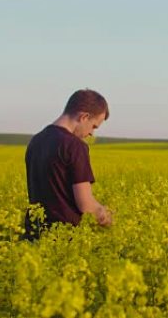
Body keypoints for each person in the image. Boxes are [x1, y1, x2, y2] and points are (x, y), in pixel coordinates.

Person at [22, 89, 112, 241]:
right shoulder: (75, 146)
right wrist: (105, 216)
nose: (92, 133)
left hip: (34, 235)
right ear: (84, 117)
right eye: (94, 126)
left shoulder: (36, 141)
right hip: (63, 239)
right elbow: (85, 204)